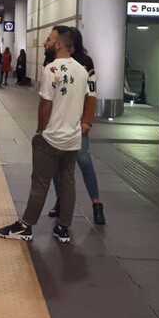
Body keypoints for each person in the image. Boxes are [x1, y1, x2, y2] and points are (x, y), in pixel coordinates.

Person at [0, 26, 89, 243]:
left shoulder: (51, 70)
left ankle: (26, 226)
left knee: (40, 183)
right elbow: (84, 101)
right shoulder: (82, 71)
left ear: (59, 44)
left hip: (51, 138)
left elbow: (45, 105)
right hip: (73, 139)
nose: (45, 43)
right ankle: (63, 228)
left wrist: (40, 131)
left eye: (48, 39)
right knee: (68, 183)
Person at [47, 28, 105, 225]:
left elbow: (92, 94)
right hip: (57, 122)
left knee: (84, 161)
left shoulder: (85, 63)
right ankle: (61, 201)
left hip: (78, 122)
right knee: (56, 165)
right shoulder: (52, 61)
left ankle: (97, 204)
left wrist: (87, 120)